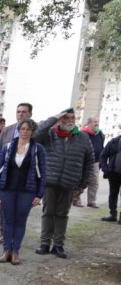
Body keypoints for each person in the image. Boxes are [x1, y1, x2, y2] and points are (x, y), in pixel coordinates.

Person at [32, 108, 95, 258]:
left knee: (62, 214)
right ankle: (45, 243)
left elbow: (89, 162)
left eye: (72, 118)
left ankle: (58, 245)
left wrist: (83, 184)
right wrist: (54, 118)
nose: (69, 121)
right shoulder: (50, 134)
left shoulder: (83, 137)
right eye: (65, 118)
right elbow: (36, 133)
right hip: (50, 181)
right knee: (48, 212)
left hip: (69, 182)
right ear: (60, 119)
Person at [0, 118, 46, 265]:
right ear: (18, 130)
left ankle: (15, 252)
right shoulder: (8, 147)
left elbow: (43, 173)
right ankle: (6, 251)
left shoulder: (38, 149)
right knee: (8, 221)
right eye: (22, 128)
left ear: (33, 132)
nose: (25, 131)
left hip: (27, 191)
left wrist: (39, 194)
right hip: (7, 189)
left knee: (20, 221)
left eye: (28, 129)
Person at [77, 116, 104, 208]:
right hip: (83, 161)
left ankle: (91, 201)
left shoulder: (100, 134)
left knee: (94, 182)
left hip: (95, 162)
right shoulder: (82, 133)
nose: (96, 123)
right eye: (94, 122)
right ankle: (76, 199)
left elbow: (101, 146)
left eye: (97, 121)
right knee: (79, 180)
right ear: (88, 123)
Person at [101, 131, 121, 223]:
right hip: (113, 173)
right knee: (113, 194)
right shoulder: (114, 142)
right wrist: (106, 169)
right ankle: (113, 214)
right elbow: (103, 155)